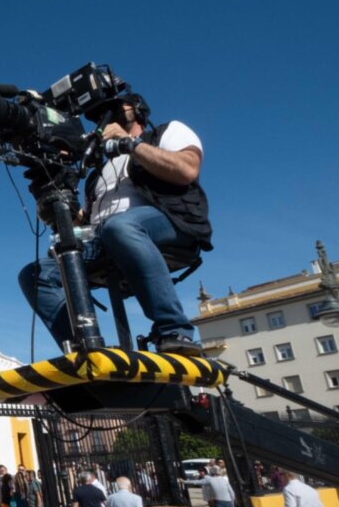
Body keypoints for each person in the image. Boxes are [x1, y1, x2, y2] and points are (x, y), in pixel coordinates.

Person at [18, 90, 210, 356]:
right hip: (106, 237)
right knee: (34, 274)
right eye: (98, 115)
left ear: (137, 108)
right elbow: (82, 221)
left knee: (120, 226)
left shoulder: (167, 132)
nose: (104, 117)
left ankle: (174, 329)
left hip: (169, 223)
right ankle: (83, 346)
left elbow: (187, 170)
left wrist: (130, 144)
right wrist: (52, 202)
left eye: (115, 108)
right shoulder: (99, 173)